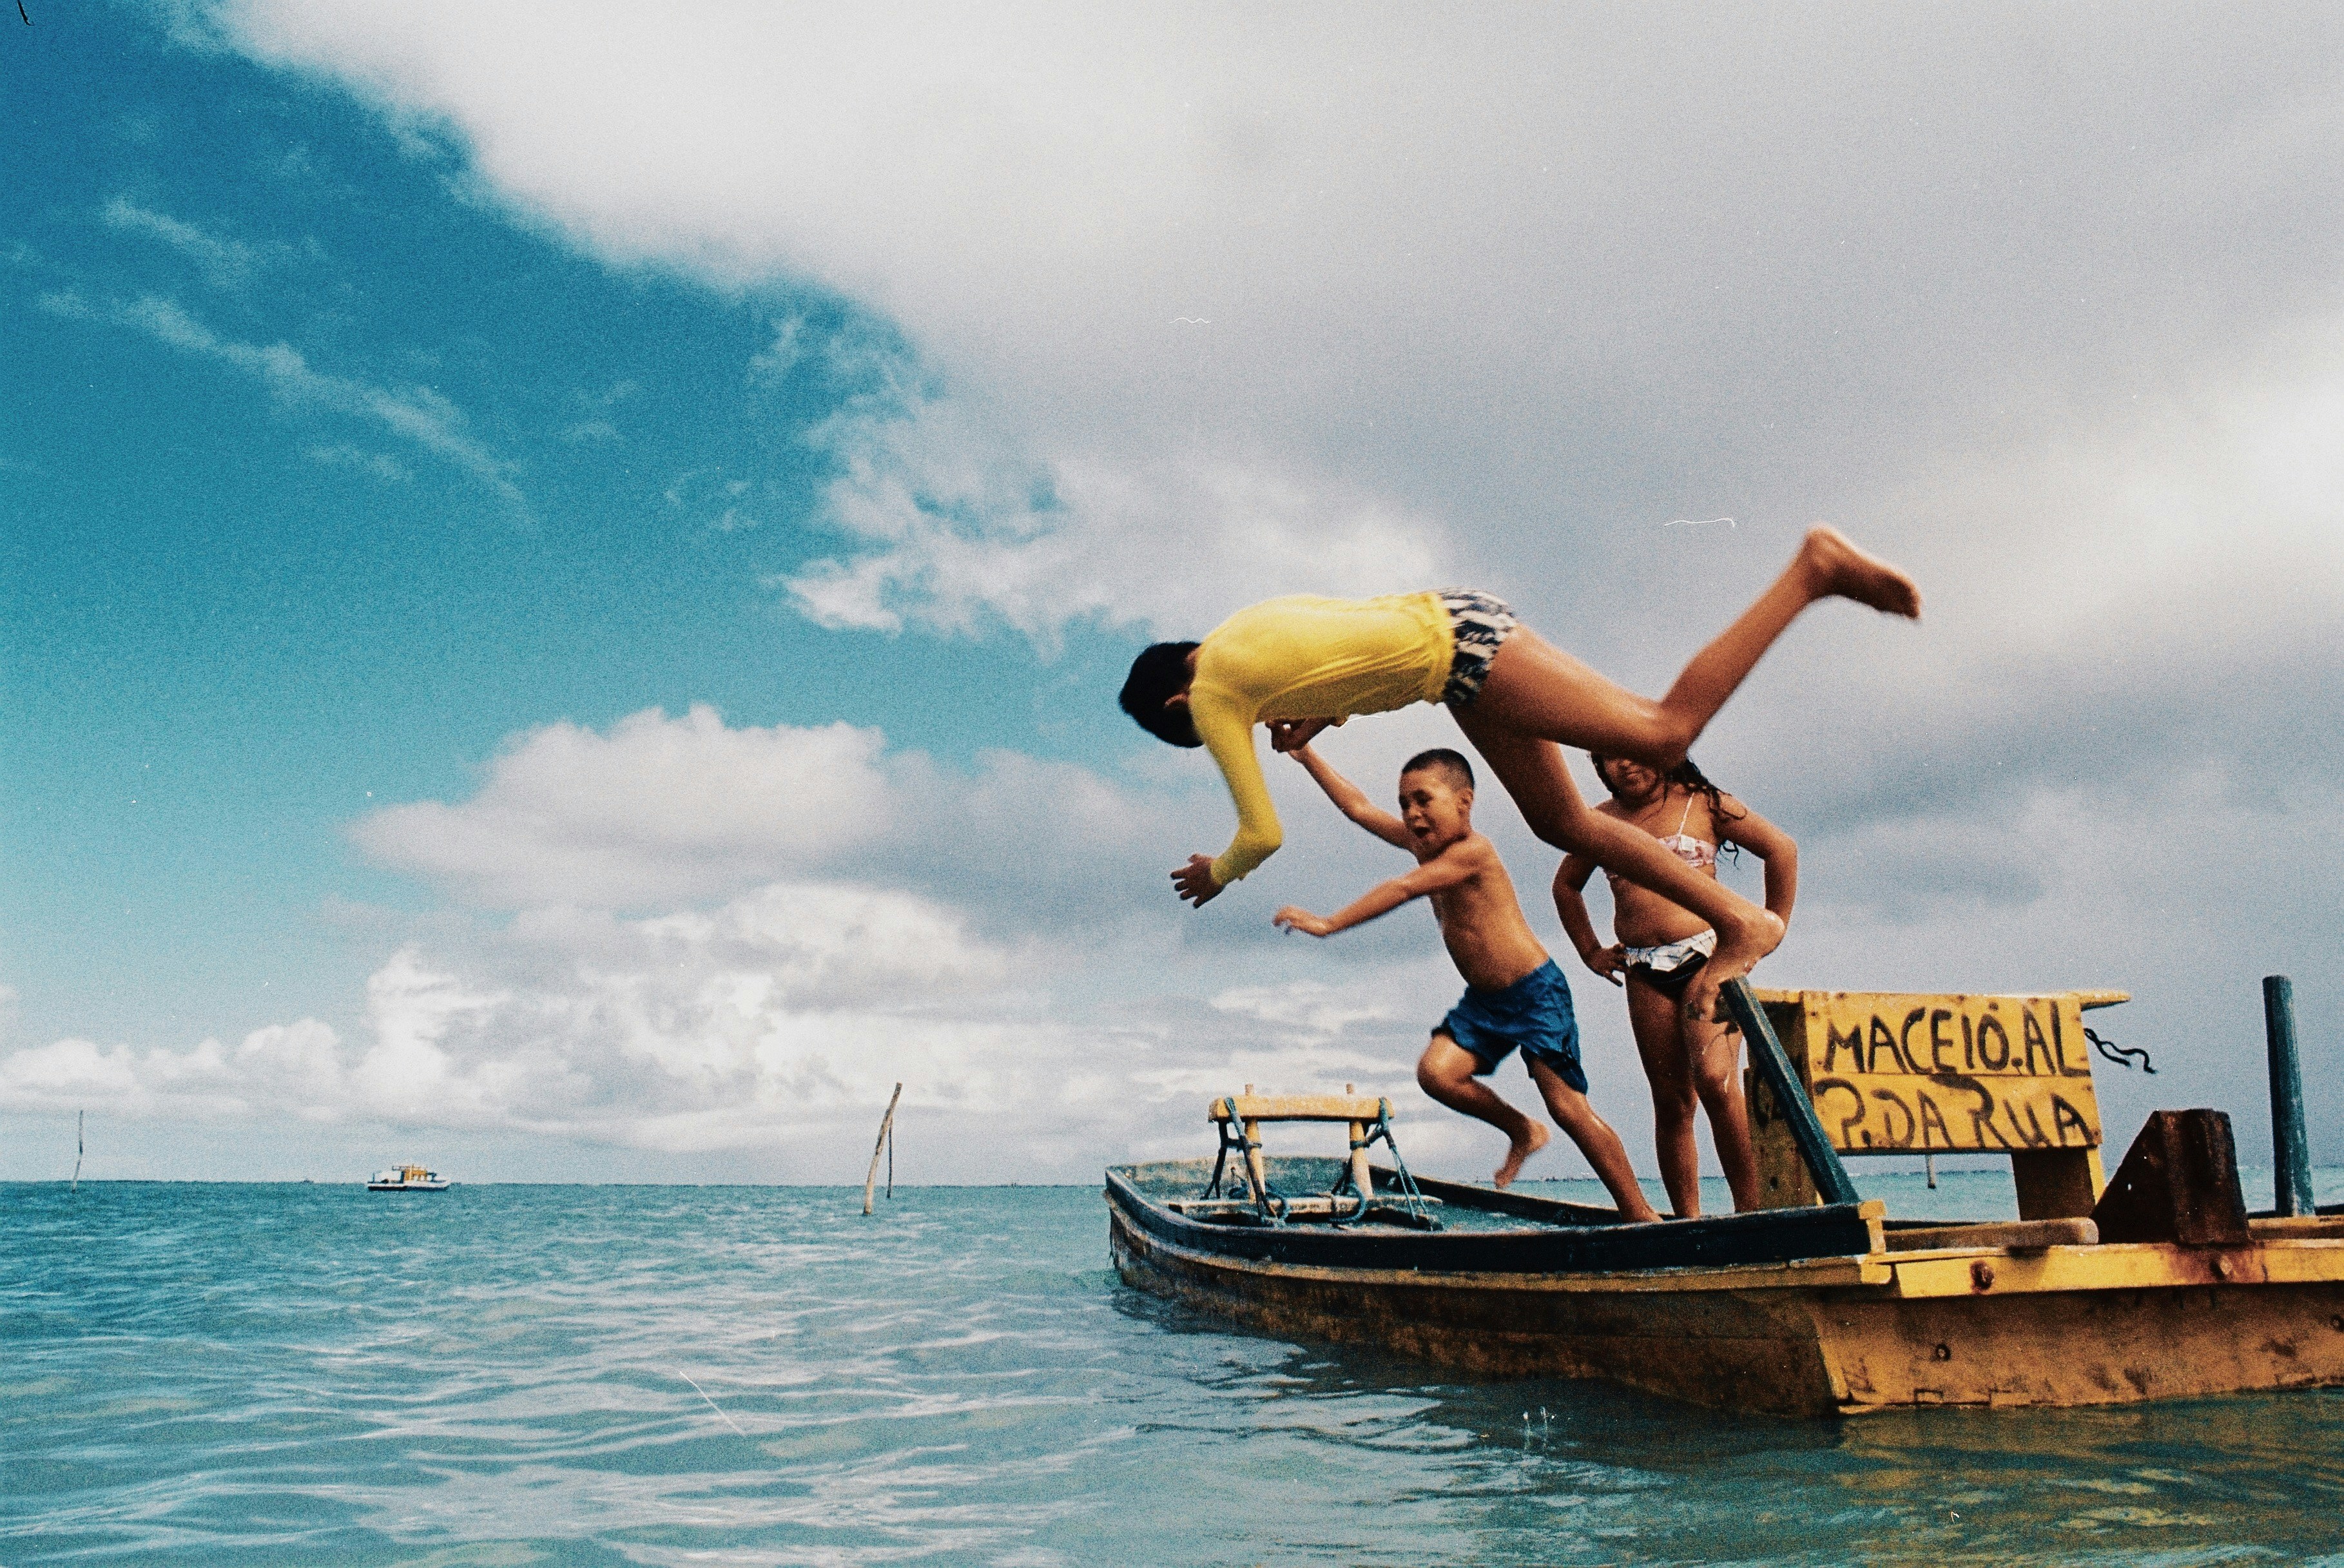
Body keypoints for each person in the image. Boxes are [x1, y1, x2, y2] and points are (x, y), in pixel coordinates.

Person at [1118, 525, 1917, 1022]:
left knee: (1663, 734)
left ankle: (1811, 572)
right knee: (1561, 823)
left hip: (1460, 650)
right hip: (1449, 645)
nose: (1234, 732)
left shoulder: (1216, 694)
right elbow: (1353, 642)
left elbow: (1262, 833)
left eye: (1198, 733)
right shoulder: (1236, 634)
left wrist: (1219, 874)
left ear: (1181, 701)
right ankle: (1738, 923)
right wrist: (1329, 713)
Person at [1269, 741, 1661, 1214]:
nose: (1412, 814)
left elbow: (1405, 886)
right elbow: (1356, 807)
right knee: (1436, 1073)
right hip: (1486, 1001)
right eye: (1404, 804)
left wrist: (1331, 923)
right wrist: (1306, 753)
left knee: (1567, 1107)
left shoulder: (1474, 851)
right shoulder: (1421, 843)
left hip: (1536, 992)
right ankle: (1520, 1128)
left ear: (1463, 802)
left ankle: (1640, 1212)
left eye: (1422, 799)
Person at [1553, 755, 1795, 1215]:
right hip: (1644, 968)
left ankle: (1752, 1211)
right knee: (1670, 1101)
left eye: (1632, 751)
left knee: (1716, 1082)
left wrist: (1770, 928)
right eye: (1609, 758)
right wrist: (1590, 950)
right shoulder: (1598, 821)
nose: (1624, 765)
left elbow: (1781, 849)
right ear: (1599, 768)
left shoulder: (1704, 802)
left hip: (1710, 957)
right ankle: (1687, 1221)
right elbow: (1566, 885)